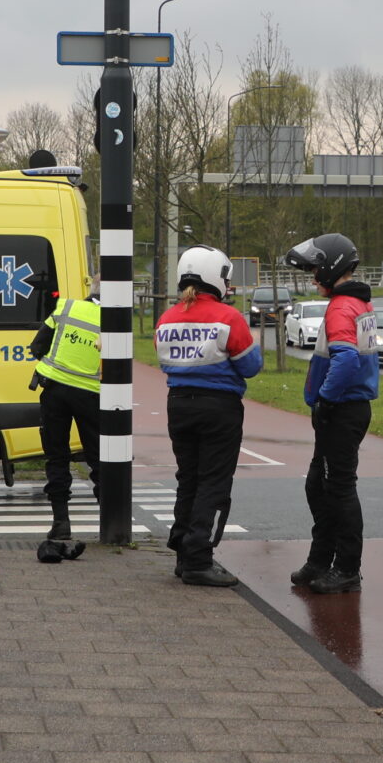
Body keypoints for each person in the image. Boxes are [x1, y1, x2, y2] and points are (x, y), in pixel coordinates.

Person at [153, 246, 262, 586]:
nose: (228, 285)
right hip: (219, 408)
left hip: (178, 404)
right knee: (213, 482)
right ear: (214, 277)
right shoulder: (228, 317)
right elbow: (251, 367)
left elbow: (164, 361)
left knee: (188, 479)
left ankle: (183, 554)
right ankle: (199, 559)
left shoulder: (166, 317)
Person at [284, 232, 376, 593]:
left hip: (342, 409)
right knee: (318, 486)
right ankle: (320, 559)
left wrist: (325, 398)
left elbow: (347, 357)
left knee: (337, 489)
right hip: (349, 407)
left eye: (315, 270)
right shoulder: (356, 302)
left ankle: (346, 567)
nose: (312, 277)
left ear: (331, 266)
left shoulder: (341, 306)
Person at [27, 282, 102, 562]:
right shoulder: (115, 320)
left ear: (90, 289)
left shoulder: (66, 307)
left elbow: (37, 346)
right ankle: (110, 521)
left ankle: (61, 522)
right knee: (98, 459)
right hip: (92, 398)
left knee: (56, 457)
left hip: (55, 392)